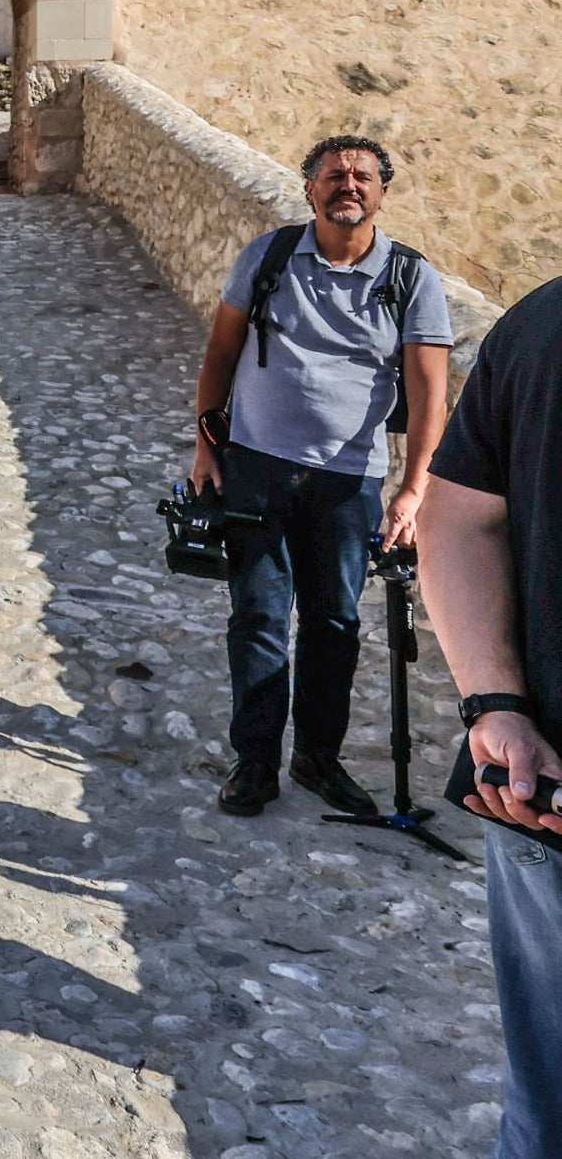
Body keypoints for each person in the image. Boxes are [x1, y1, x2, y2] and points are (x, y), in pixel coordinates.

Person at [190, 135, 452, 817]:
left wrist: (414, 490)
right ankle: (254, 761)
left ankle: (316, 757)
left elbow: (430, 397)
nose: (348, 184)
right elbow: (221, 351)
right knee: (257, 618)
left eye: (363, 176)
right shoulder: (269, 257)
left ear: (382, 193)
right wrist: (205, 446)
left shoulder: (412, 279)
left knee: (334, 623)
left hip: (348, 481)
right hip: (255, 467)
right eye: (333, 175)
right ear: (309, 190)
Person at [417, 272, 562, 1159]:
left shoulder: (542, 318)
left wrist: (496, 705)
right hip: (538, 798)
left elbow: (455, 518)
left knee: (546, 1105)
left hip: (534, 788)